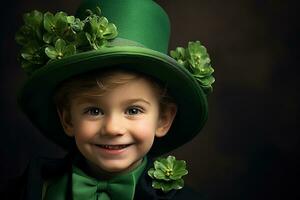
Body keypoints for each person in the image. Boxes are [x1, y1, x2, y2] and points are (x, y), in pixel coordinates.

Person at [12, 0, 215, 199]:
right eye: (94, 111)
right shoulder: (34, 188)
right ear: (67, 119)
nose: (112, 128)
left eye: (133, 110)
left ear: (163, 119)